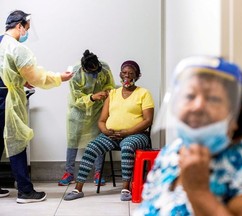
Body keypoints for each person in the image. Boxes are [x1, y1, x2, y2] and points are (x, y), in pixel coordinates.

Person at [133, 56, 242, 215]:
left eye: (213, 98)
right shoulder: (172, 151)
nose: (198, 106)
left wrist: (199, 193)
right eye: (189, 96)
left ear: (236, 114)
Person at [0, 10, 73, 204]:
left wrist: (19, 81)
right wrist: (60, 77)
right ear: (19, 26)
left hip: (2, 94)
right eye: (27, 29)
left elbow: (5, 72)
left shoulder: (0, 43)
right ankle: (25, 192)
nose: (27, 33)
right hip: (7, 100)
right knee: (17, 141)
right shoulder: (17, 49)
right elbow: (37, 78)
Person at [63, 60, 154, 201]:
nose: (127, 76)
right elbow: (101, 120)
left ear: (137, 75)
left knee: (127, 146)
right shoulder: (112, 93)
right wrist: (105, 131)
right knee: (92, 147)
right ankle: (78, 189)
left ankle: (125, 188)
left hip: (137, 135)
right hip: (111, 134)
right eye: (124, 73)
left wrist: (128, 132)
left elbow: (147, 121)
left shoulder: (143, 93)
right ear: (120, 74)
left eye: (131, 73)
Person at [58, 49, 115, 186]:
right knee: (73, 140)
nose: (95, 74)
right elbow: (76, 97)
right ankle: (69, 173)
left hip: (97, 109)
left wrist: (107, 91)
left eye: (97, 70)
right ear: (84, 68)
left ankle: (98, 172)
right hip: (78, 111)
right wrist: (92, 97)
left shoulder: (104, 67)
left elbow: (110, 83)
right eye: (92, 72)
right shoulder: (76, 72)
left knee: (98, 139)